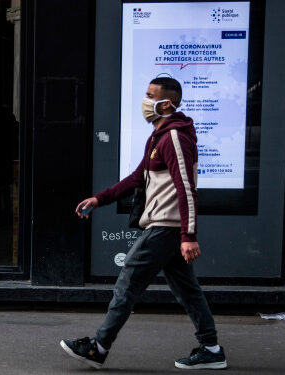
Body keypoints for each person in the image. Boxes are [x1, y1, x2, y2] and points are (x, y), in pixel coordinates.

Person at [60, 77, 227, 370]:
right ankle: (211, 348)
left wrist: (189, 234)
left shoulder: (175, 137)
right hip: (169, 228)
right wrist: (99, 199)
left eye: (151, 96)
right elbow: (138, 178)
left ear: (166, 103)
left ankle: (98, 348)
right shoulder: (159, 137)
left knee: (127, 283)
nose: (145, 101)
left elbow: (186, 187)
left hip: (165, 227)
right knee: (188, 290)